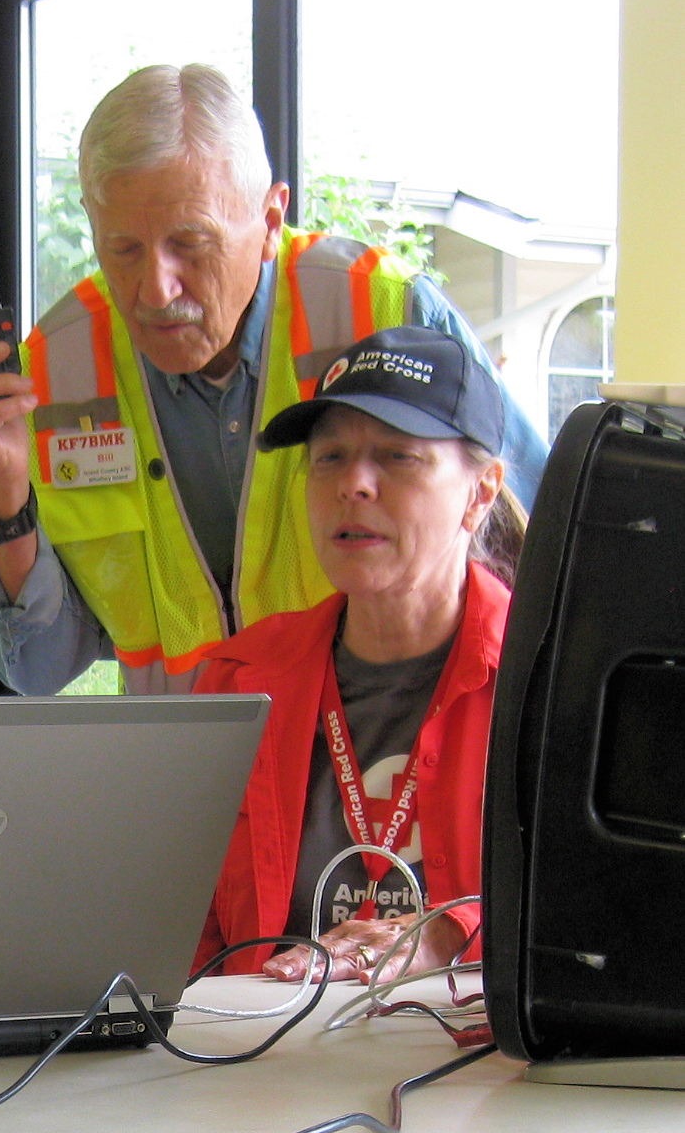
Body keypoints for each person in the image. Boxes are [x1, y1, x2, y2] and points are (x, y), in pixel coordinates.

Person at [0, 63, 545, 696]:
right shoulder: (56, 373)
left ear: (271, 220)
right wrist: (5, 489)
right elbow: (36, 668)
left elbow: (538, 554)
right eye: (124, 250)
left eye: (190, 243)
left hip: (377, 744)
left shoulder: (386, 312)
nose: (156, 289)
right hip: (185, 755)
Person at [189, 325, 521, 983]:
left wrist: (450, 934)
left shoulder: (550, 682)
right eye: (330, 457)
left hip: (472, 1046)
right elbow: (182, 931)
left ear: (480, 493)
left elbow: (602, 920)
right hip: (259, 1043)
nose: (353, 484)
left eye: (397, 456)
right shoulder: (236, 683)